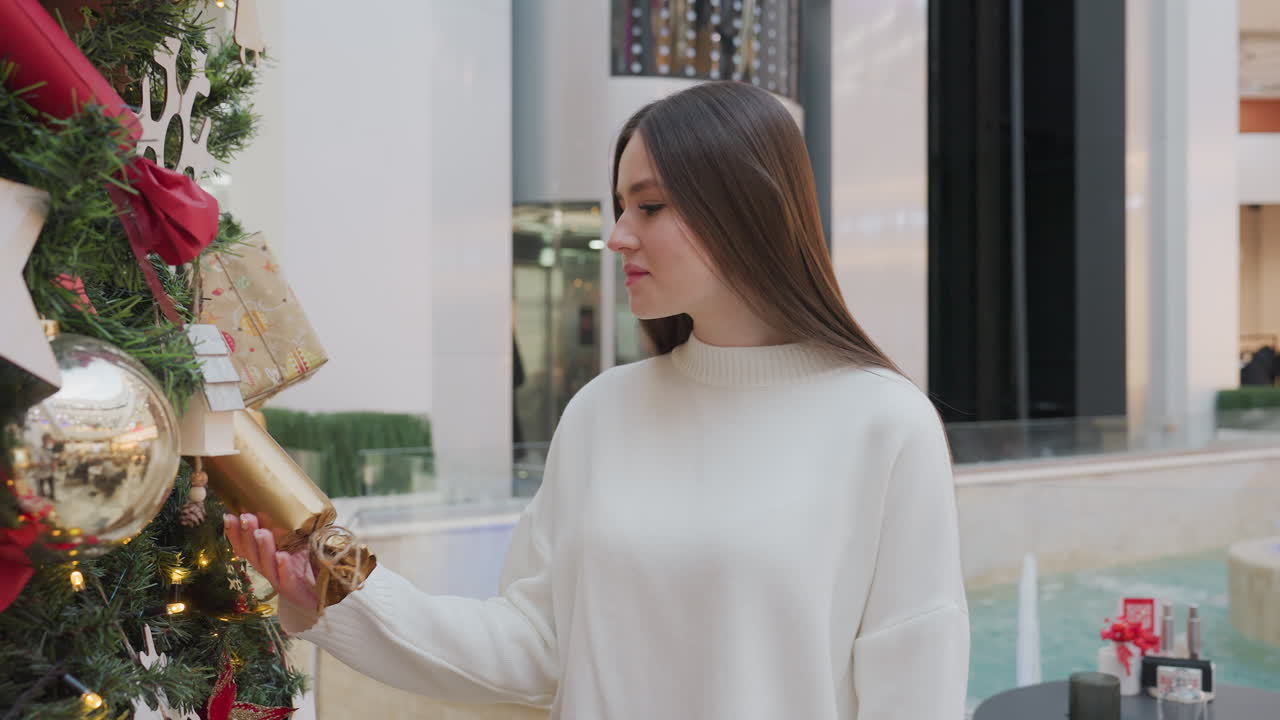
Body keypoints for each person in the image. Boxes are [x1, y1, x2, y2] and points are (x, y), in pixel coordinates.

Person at [225, 81, 969, 719]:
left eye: (650, 206)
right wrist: (336, 595)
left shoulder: (884, 423)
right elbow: (536, 645)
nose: (617, 237)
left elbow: (914, 690)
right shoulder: (603, 411)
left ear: (745, 208)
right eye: (620, 207)